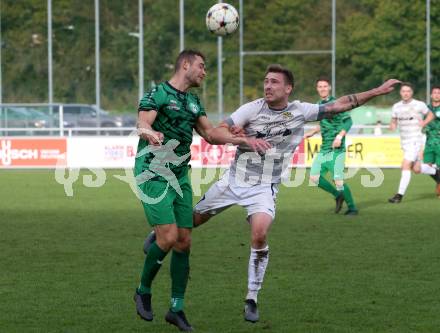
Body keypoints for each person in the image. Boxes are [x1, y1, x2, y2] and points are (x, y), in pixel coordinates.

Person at [192, 64, 399, 322]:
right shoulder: (251, 108)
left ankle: (251, 297)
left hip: (263, 187)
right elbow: (218, 131)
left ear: (288, 88)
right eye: (266, 81)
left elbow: (341, 104)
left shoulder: (300, 110)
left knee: (259, 234)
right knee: (189, 223)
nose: (268, 86)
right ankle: (159, 238)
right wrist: (245, 140)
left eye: (274, 82)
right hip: (233, 181)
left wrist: (377, 91)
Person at [133, 49, 269, 332]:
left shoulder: (193, 103)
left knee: (184, 241)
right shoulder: (157, 94)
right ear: (185, 65)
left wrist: (243, 141)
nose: (204, 72)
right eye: (201, 66)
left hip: (181, 176)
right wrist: (150, 133)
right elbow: (143, 122)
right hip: (153, 172)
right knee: (169, 236)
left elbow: (210, 134)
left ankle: (176, 308)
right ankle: (143, 290)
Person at [304, 77, 358, 215]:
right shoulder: (318, 106)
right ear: (317, 89)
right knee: (314, 178)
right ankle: (337, 195)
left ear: (329, 88)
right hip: (325, 148)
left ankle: (352, 208)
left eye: (325, 86)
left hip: (336, 148)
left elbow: (348, 122)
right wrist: (313, 131)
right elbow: (324, 123)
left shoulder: (338, 103)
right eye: (320, 86)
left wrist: (340, 137)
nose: (322, 88)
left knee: (338, 179)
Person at [388, 83, 435, 203]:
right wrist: (392, 125)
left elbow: (431, 114)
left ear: (411, 92)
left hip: (415, 140)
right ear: (400, 93)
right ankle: (436, 172)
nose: (405, 93)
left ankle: (399, 195)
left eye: (408, 91)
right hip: (404, 141)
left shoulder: (419, 104)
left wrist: (424, 123)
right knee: (416, 169)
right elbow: (393, 120)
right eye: (403, 91)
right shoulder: (396, 106)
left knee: (405, 165)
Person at [414, 85, 440, 196]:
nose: (437, 95)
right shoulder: (426, 109)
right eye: (435, 92)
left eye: (439, 93)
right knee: (424, 167)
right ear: (431, 94)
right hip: (429, 143)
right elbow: (422, 125)